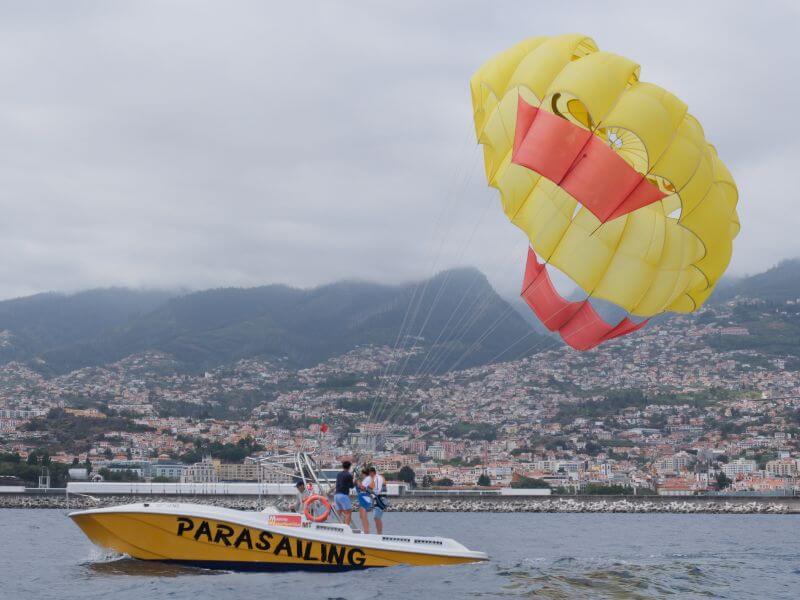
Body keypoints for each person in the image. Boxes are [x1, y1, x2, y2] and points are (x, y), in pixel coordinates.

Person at [361, 466, 386, 534]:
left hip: (380, 499)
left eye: (369, 474)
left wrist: (365, 489)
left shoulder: (377, 478)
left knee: (377, 517)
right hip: (379, 498)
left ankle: (379, 534)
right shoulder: (377, 478)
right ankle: (379, 533)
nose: (369, 476)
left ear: (372, 473)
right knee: (376, 517)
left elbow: (376, 490)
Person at [333, 460, 355, 525]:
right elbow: (352, 486)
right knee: (348, 512)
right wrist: (355, 481)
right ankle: (346, 528)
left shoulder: (339, 474)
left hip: (336, 495)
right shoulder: (349, 475)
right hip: (343, 495)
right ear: (349, 467)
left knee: (339, 513)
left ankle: (339, 527)